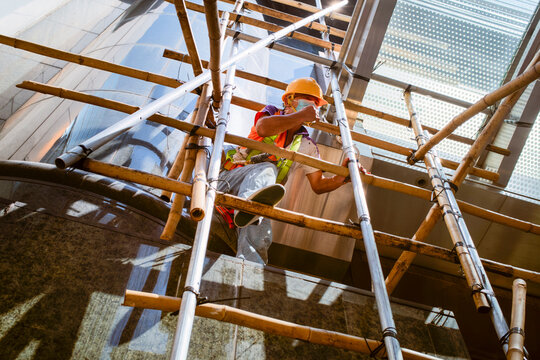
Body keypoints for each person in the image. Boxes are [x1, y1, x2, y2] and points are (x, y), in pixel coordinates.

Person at [218, 77, 355, 264]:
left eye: (315, 103)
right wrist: (301, 116)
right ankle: (250, 206)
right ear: (288, 100)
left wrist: (342, 176)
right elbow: (263, 129)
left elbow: (318, 184)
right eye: (306, 99)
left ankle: (250, 267)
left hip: (255, 200)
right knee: (268, 168)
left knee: (262, 231)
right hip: (229, 182)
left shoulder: (306, 145)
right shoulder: (271, 114)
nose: (312, 106)